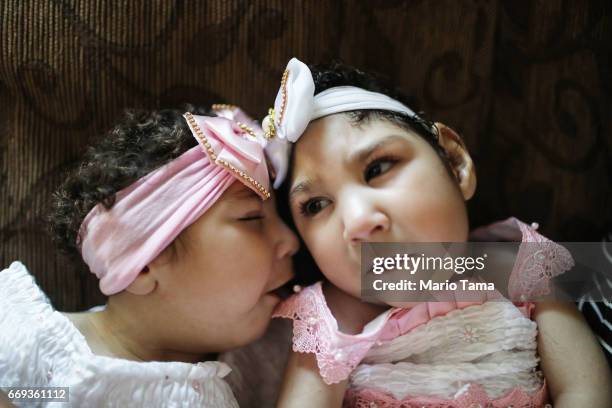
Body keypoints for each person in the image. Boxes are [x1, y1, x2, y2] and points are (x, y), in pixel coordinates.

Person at [266, 58, 612, 407]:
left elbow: (584, 391)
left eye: (378, 168)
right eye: (316, 205)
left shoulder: (518, 266)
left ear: (454, 162)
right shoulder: (330, 319)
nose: (357, 221)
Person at [0, 105, 299, 407]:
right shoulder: (29, 346)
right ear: (143, 266)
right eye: (251, 218)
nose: (291, 241)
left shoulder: (280, 358)